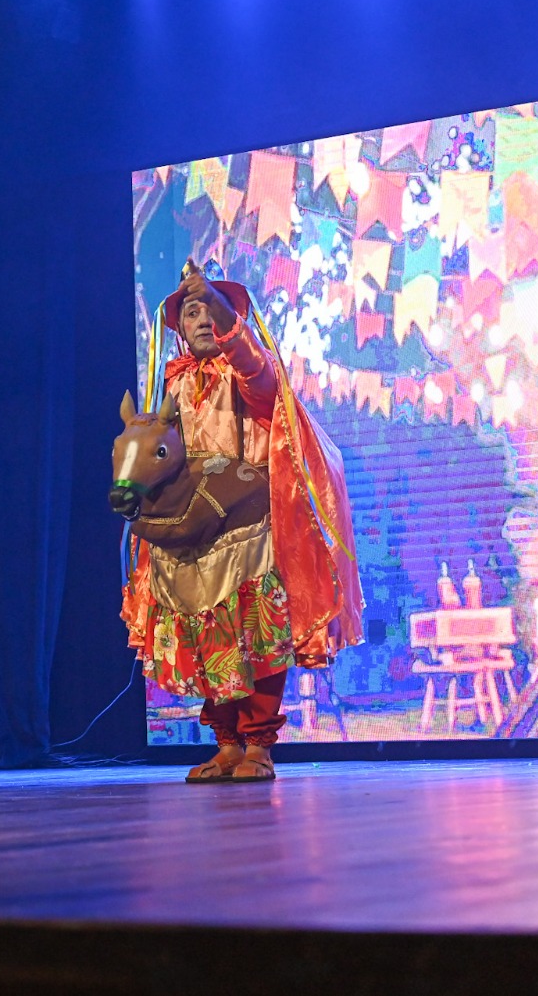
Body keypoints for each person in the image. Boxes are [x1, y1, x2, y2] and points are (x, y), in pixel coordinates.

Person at [116, 263, 363, 782]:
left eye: (214, 309)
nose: (204, 319)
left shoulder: (248, 370)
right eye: (192, 312)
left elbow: (260, 378)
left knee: (256, 640)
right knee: (207, 639)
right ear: (179, 328)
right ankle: (226, 744)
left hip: (247, 532)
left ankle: (258, 745)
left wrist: (225, 317)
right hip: (193, 534)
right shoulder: (174, 385)